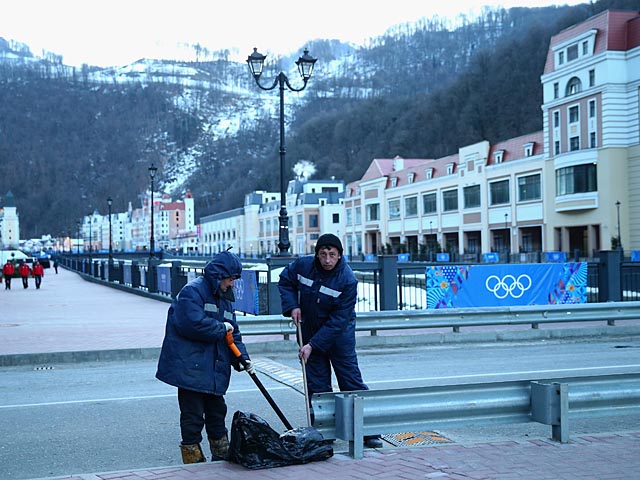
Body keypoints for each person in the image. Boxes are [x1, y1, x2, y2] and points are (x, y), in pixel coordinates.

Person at [278, 233, 383, 449]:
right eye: (323, 254)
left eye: (332, 255)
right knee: (317, 384)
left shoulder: (347, 279)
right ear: (317, 254)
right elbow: (285, 281)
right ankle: (325, 431)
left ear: (339, 256)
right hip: (309, 329)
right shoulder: (303, 265)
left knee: (350, 381)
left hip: (339, 335)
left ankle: (368, 430)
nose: (327, 260)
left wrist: (312, 345)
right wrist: (292, 306)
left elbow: (338, 320)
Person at [156, 250, 254, 464]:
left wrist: (241, 357)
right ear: (219, 276)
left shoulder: (225, 298)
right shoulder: (192, 292)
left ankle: (221, 456)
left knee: (217, 412)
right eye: (230, 280)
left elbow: (233, 332)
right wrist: (221, 328)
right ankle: (192, 460)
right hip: (191, 368)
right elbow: (192, 324)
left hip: (213, 368)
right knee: (192, 416)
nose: (231, 285)